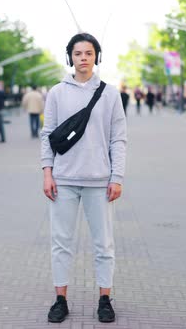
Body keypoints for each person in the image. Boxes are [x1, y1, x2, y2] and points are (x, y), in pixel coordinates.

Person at [40, 32, 127, 324]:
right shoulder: (56, 93)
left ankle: (105, 298)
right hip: (63, 180)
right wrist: (47, 173)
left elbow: (118, 139)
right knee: (60, 242)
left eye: (89, 53)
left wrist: (117, 177)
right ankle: (60, 299)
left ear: (96, 57)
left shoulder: (110, 93)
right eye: (78, 54)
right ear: (70, 57)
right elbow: (47, 135)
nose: (83, 59)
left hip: (99, 182)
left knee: (104, 244)